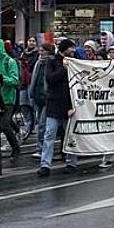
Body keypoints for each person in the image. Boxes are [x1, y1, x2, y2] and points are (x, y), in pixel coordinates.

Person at [38, 39, 78, 177]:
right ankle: (45, 164)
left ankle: (71, 162)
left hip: (70, 105)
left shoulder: (75, 62)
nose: (73, 51)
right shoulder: (52, 61)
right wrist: (63, 69)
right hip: (54, 105)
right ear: (64, 49)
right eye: (71, 48)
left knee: (70, 136)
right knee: (49, 134)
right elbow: (50, 79)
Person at [0, 39, 21, 158]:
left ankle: (15, 147)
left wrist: (0, 78)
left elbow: (14, 80)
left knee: (4, 125)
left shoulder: (9, 62)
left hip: (7, 99)